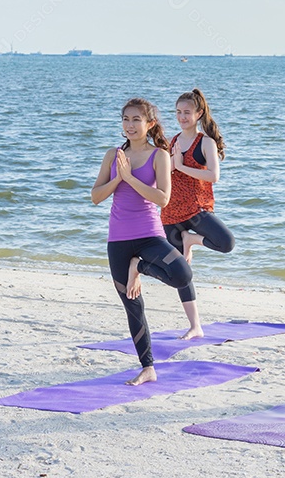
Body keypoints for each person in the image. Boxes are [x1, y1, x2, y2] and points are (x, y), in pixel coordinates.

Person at [90, 98, 193, 386]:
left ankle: (140, 266)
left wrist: (130, 179)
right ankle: (148, 367)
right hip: (119, 239)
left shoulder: (159, 155)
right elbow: (96, 196)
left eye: (136, 120)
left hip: (149, 234)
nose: (130, 125)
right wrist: (118, 179)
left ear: (150, 124)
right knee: (133, 306)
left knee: (182, 275)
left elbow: (163, 199)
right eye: (126, 119)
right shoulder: (113, 155)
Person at [159, 88, 236, 339]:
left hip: (196, 207)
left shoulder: (205, 142)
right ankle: (195, 326)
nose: (182, 117)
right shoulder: (172, 141)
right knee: (181, 272)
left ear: (199, 113)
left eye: (187, 112)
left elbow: (214, 175)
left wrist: (181, 165)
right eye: (178, 112)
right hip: (171, 210)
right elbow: (165, 174)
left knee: (226, 242)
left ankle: (191, 239)